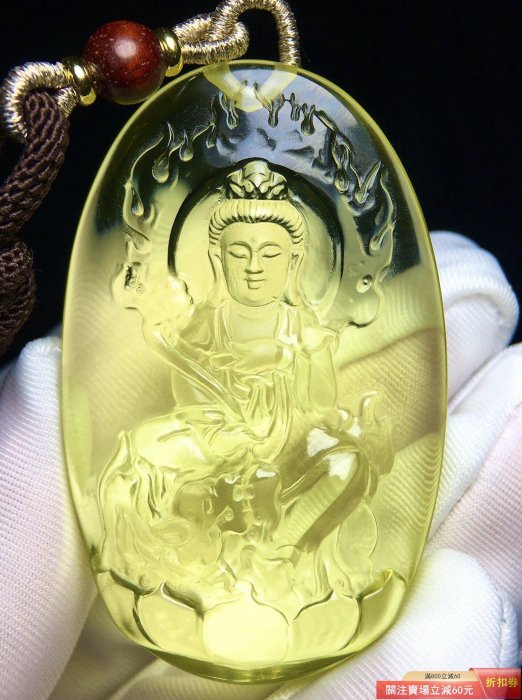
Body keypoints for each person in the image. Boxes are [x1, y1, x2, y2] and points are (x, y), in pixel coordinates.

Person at [97, 161, 390, 624]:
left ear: (294, 260)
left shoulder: (306, 333)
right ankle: (193, 575)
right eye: (240, 253)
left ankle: (288, 557)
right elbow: (190, 404)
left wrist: (292, 370)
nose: (254, 268)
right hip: (219, 450)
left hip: (286, 448)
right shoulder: (204, 327)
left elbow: (317, 409)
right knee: (145, 458)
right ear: (218, 258)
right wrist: (225, 436)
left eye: (270, 254)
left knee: (347, 465)